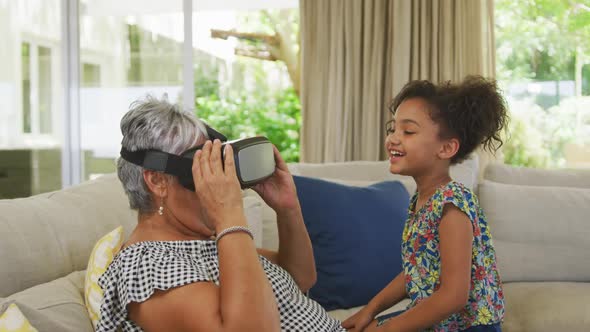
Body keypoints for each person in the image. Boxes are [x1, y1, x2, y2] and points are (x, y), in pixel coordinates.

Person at [96, 95, 346, 332]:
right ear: (158, 181)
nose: (215, 182)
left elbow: (301, 279)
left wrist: (288, 209)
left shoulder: (207, 243)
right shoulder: (145, 266)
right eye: (202, 169)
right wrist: (229, 213)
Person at [342, 76, 507, 332]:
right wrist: (370, 309)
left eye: (408, 131)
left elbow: (454, 296)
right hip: (441, 322)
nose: (393, 139)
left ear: (446, 148)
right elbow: (416, 270)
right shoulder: (422, 200)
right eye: (392, 129)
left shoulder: (453, 204)